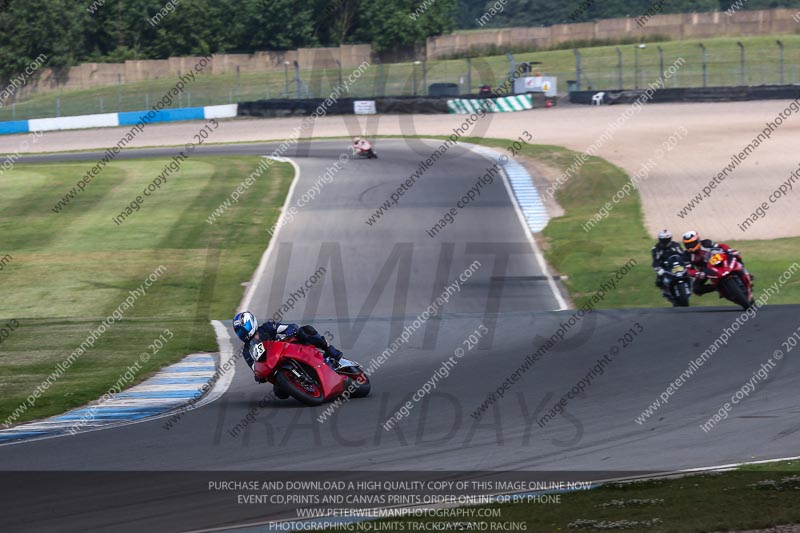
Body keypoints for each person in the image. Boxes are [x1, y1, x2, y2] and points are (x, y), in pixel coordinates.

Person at [232, 311, 343, 386]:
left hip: (286, 349)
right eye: (240, 332)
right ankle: (300, 386)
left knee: (306, 331)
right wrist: (259, 375)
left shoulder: (267, 327)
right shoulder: (247, 350)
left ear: (251, 322)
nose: (243, 333)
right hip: (273, 366)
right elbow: (254, 368)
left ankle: (329, 349)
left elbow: (288, 327)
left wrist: (291, 330)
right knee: (279, 393)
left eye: (244, 329)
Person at [682, 230, 753, 296]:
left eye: (692, 243)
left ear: (697, 240)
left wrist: (729, 250)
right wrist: (698, 273)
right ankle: (717, 287)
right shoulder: (686, 255)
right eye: (688, 245)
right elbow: (688, 270)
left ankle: (745, 272)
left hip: (716, 261)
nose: (690, 247)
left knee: (735, 254)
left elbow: (721, 246)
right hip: (705, 271)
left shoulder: (706, 243)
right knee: (696, 289)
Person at [651, 229, 683, 297]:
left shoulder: (676, 245)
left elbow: (682, 254)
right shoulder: (656, 249)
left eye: (667, 239)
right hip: (665, 267)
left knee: (688, 271)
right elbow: (655, 261)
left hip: (677, 264)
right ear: (660, 240)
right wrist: (659, 269)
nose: (665, 242)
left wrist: (684, 262)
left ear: (670, 239)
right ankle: (665, 291)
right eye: (663, 240)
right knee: (659, 281)